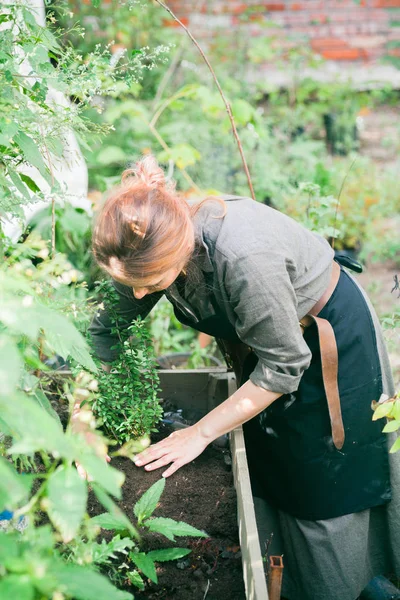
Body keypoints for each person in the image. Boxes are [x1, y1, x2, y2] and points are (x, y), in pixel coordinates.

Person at [88, 155, 399, 600]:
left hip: (325, 342)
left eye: (148, 283)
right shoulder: (139, 246)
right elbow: (106, 330)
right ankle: (289, 583)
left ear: (177, 251)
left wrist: (197, 433)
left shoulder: (244, 256)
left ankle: (348, 585)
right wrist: (82, 418)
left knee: (323, 480)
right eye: (129, 282)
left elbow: (284, 365)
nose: (138, 294)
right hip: (269, 346)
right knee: (273, 462)